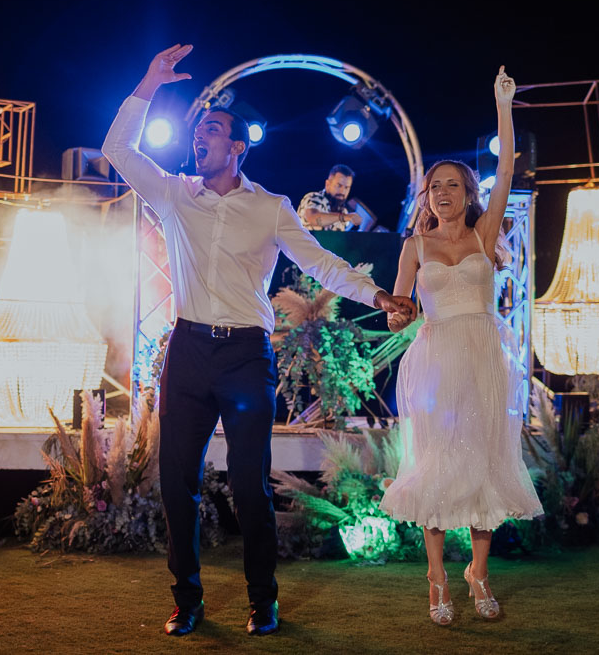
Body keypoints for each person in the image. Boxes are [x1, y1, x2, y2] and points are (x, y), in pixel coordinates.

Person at [101, 45, 416, 637]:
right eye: (198, 130)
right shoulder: (173, 193)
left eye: (212, 131)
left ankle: (262, 600)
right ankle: (187, 600)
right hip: (189, 352)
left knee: (249, 484)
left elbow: (321, 263)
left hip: (247, 356)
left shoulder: (270, 208)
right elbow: (119, 149)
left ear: (238, 147)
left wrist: (377, 297)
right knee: (177, 484)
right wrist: (147, 84)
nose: (200, 137)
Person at [379, 67, 542, 625]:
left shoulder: (483, 232)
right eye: (434, 186)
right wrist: (392, 309)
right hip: (434, 357)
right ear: (425, 197)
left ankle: (479, 572)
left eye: (452, 184)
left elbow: (506, 172)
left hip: (483, 354)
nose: (442, 192)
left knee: (482, 458)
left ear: (466, 193)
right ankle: (436, 578)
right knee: (435, 462)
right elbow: (401, 314)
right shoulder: (414, 245)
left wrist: (504, 106)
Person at [298, 164, 363, 231]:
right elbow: (312, 218)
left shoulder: (343, 211)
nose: (342, 191)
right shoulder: (314, 197)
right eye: (339, 186)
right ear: (327, 184)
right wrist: (344, 217)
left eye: (346, 187)